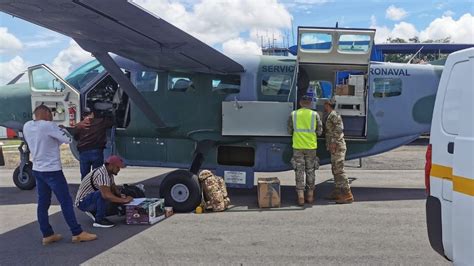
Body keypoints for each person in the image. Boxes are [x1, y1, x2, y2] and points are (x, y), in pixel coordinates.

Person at [23, 105, 97, 245]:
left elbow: (52, 138)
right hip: (52, 171)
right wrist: (71, 127)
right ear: (46, 113)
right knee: (66, 202)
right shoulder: (48, 126)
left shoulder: (27, 126)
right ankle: (77, 233)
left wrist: (60, 129)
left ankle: (47, 234)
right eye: (51, 114)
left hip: (38, 170)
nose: (52, 117)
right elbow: (68, 139)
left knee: (43, 203)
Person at [75, 155, 133, 228]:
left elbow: (113, 187)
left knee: (111, 195)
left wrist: (121, 195)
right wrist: (124, 201)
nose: (119, 169)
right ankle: (99, 220)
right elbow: (106, 195)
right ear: (111, 165)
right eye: (117, 167)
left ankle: (95, 212)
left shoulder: (108, 173)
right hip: (83, 202)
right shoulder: (102, 174)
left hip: (90, 198)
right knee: (103, 194)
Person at [287, 95, 323, 205]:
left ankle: (300, 196)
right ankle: (310, 195)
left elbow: (289, 130)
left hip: (298, 146)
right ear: (310, 103)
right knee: (310, 170)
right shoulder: (314, 114)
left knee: (299, 170)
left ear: (300, 103)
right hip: (311, 146)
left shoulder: (294, 114)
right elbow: (320, 131)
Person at [323, 99, 354, 204]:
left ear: (328, 104)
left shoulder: (334, 115)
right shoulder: (330, 115)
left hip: (338, 146)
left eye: (325, 104)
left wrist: (333, 142)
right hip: (335, 146)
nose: (324, 106)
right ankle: (337, 191)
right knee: (335, 169)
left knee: (339, 170)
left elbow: (339, 129)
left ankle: (347, 194)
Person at [74, 109, 114, 179]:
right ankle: (96, 189)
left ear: (83, 116)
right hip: (97, 151)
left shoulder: (79, 125)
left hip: (83, 152)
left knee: (85, 176)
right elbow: (112, 122)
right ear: (92, 114)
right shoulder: (101, 122)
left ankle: (85, 188)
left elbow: (76, 137)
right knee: (97, 176)